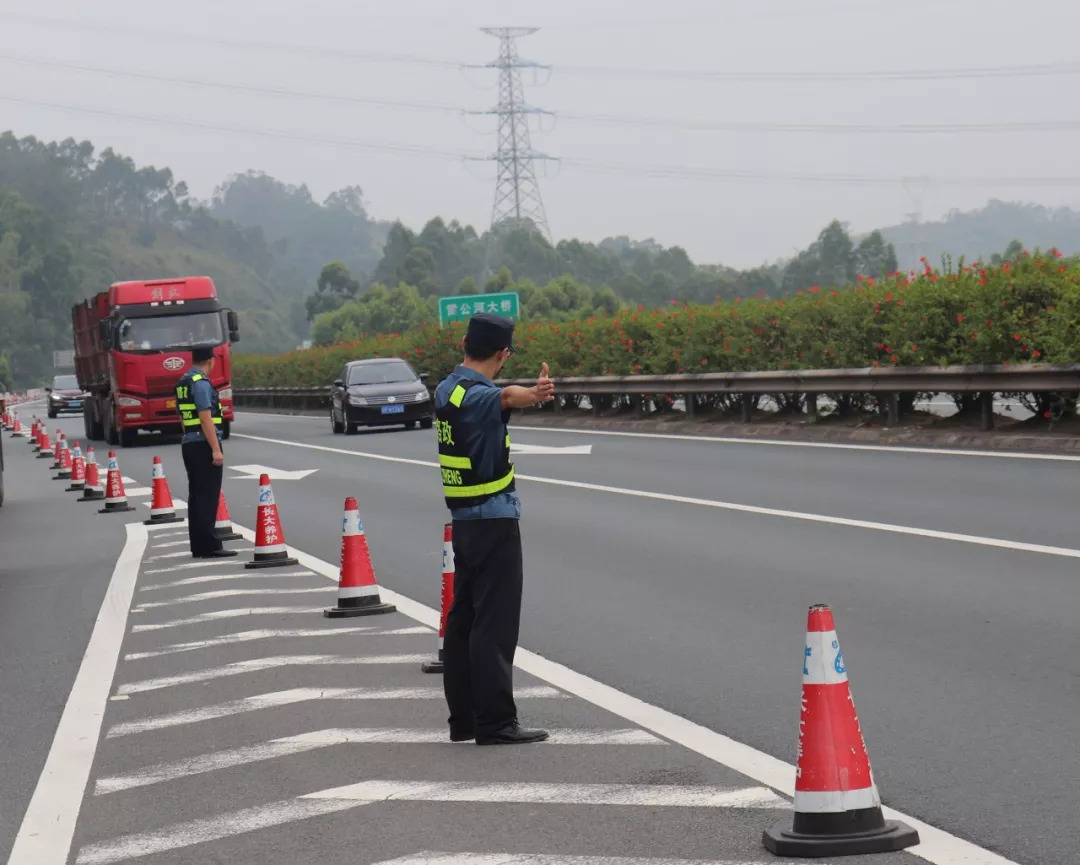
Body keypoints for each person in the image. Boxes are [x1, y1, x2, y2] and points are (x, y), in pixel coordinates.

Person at [434, 311, 555, 746]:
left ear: (465, 343)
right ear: (503, 353)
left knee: (464, 620)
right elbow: (505, 399)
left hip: (465, 520)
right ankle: (496, 722)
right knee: (494, 625)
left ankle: (463, 720)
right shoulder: (481, 395)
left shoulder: (447, 388)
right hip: (493, 518)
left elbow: (496, 399)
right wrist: (537, 395)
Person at [176, 346, 235, 559]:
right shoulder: (200, 383)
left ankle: (199, 545)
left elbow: (183, 417)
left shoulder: (183, 381)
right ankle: (210, 545)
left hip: (190, 443)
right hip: (203, 444)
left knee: (197, 496)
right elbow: (205, 416)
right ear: (211, 360)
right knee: (208, 496)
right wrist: (216, 449)